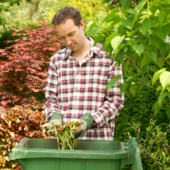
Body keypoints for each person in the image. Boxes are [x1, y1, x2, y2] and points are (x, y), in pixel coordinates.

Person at [43, 7, 124, 140]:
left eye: (71, 34)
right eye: (62, 37)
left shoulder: (109, 57)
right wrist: (54, 116)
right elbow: (51, 99)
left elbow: (116, 101)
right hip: (64, 146)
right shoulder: (57, 60)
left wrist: (90, 121)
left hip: (97, 147)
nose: (68, 42)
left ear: (82, 25)